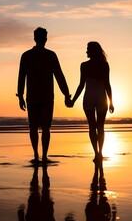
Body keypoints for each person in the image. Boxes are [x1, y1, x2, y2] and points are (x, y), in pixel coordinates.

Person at [17, 27, 71, 164]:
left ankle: (36, 155)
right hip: (46, 97)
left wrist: (20, 96)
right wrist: (66, 94)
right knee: (46, 127)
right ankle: (44, 155)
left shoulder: (26, 55)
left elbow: (21, 77)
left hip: (33, 96)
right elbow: (59, 75)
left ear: (35, 38)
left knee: (33, 126)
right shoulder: (50, 55)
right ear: (46, 39)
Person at [67, 42, 114, 162]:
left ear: (92, 51)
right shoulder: (104, 65)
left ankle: (96, 153)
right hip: (101, 97)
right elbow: (107, 84)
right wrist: (111, 101)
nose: (86, 51)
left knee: (92, 127)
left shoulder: (84, 65)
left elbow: (81, 85)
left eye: (88, 49)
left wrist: (73, 100)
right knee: (100, 127)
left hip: (88, 97)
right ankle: (100, 153)